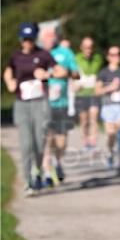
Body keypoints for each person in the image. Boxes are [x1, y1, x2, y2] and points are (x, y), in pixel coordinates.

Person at [3, 22, 60, 195]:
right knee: (25, 143)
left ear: (35, 38)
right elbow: (8, 70)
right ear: (21, 39)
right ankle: (28, 181)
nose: (27, 42)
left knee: (39, 141)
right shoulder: (16, 56)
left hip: (40, 103)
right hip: (22, 104)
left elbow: (60, 71)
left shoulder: (43, 55)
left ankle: (39, 169)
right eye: (24, 39)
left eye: (30, 39)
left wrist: (47, 75)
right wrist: (10, 82)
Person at [40, 26, 79, 187]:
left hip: (62, 103)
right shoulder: (38, 55)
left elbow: (77, 74)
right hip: (43, 103)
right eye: (46, 37)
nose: (48, 39)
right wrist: (45, 77)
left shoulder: (65, 53)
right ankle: (47, 172)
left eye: (51, 36)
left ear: (56, 37)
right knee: (48, 137)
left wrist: (65, 73)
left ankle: (58, 161)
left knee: (61, 140)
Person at [96, 46, 120, 174]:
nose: (115, 57)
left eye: (117, 54)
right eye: (112, 55)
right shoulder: (103, 72)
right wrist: (111, 87)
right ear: (108, 57)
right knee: (111, 134)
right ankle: (110, 152)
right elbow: (98, 91)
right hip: (109, 106)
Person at [74, 37, 104, 150]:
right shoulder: (76, 58)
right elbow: (72, 72)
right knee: (84, 119)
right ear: (81, 47)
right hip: (81, 93)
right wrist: (74, 83)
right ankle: (86, 139)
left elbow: (100, 74)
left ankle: (93, 139)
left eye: (90, 47)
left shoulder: (98, 58)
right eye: (86, 47)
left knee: (94, 116)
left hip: (93, 92)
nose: (88, 50)